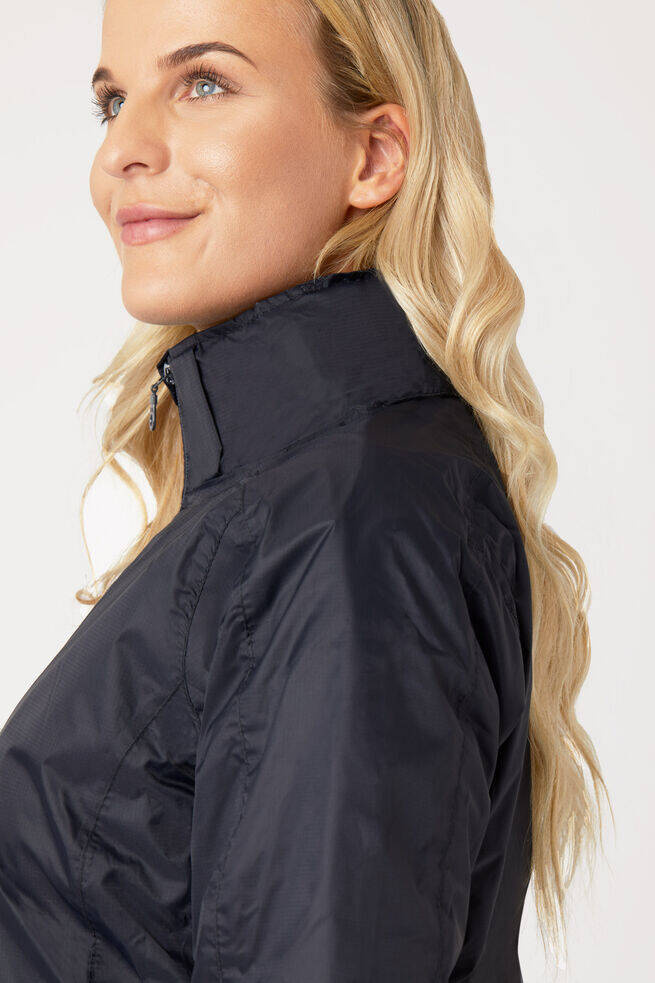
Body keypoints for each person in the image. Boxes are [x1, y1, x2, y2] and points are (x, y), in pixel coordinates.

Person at [0, 1, 610, 980]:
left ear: (375, 156)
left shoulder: (354, 517)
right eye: (112, 101)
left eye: (203, 83)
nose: (121, 151)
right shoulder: (290, 498)